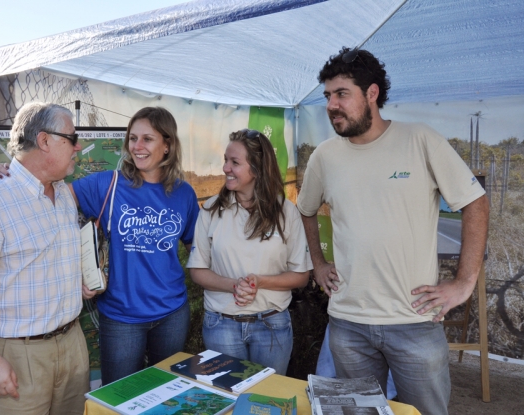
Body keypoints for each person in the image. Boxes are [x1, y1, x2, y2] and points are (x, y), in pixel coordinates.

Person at [297, 47, 489, 415]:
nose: (332, 105)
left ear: (372, 93)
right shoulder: (324, 156)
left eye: (342, 94)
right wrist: (318, 264)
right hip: (348, 324)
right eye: (327, 96)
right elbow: (305, 211)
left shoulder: (420, 139)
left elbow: (475, 203)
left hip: (414, 322)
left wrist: (464, 282)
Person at [0, 106, 200, 385]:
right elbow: (45, 198)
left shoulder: (183, 193)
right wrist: (8, 174)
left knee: (166, 392)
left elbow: (197, 246)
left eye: (147, 139)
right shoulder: (106, 184)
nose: (137, 146)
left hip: (172, 314)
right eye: (132, 138)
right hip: (122, 317)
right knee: (118, 396)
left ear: (167, 145)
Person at [0, 102, 94, 415]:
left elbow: (45, 256)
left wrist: (75, 281)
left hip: (73, 343)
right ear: (44, 140)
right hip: (18, 353)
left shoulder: (63, 192)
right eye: (72, 137)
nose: (78, 146)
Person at [187, 129, 312, 375]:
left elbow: (301, 275)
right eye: (225, 160)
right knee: (228, 401)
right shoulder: (211, 210)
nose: (225, 168)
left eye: (234, 162)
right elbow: (197, 271)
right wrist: (235, 285)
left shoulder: (286, 212)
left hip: (272, 325)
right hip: (221, 325)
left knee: (267, 402)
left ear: (257, 168)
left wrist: (259, 282)